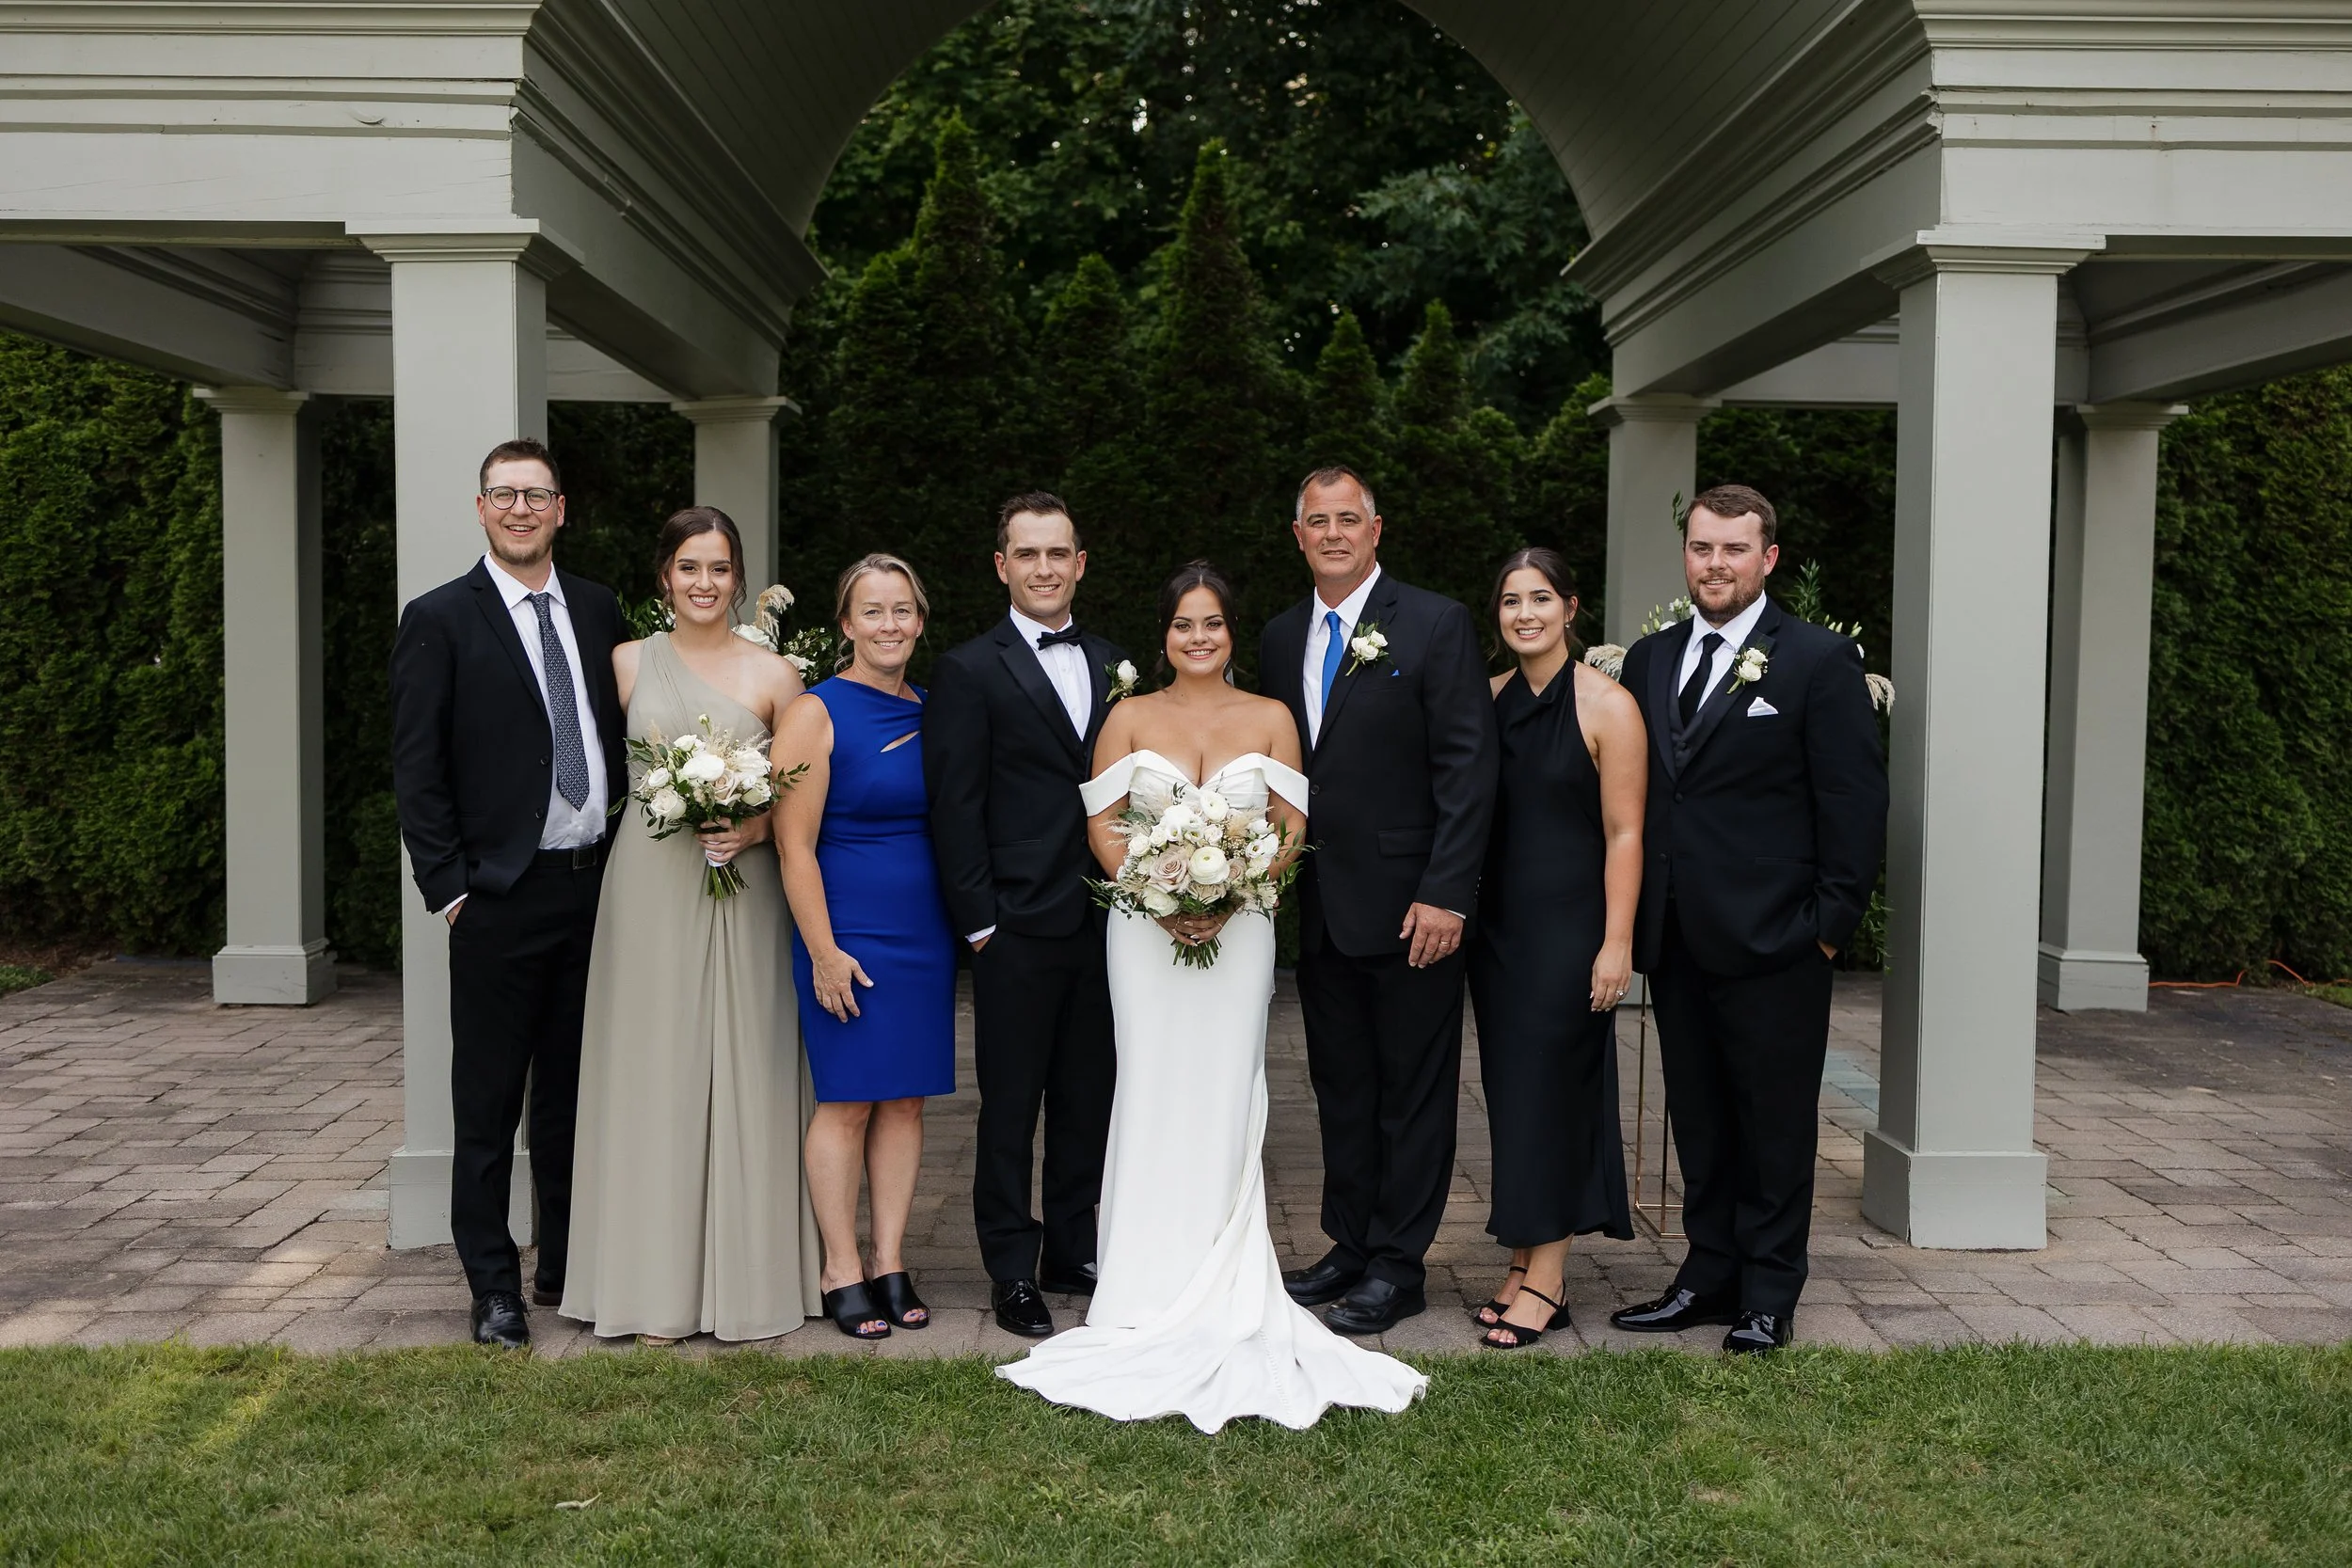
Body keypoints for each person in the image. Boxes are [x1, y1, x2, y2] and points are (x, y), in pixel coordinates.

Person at [998, 562, 1425, 1430]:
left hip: (1245, 929)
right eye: (1184, 624)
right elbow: (1101, 825)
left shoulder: (1271, 717)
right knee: (1148, 1090)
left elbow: (1293, 824)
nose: (1199, 637)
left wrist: (1227, 897)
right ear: (1164, 634)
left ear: (1233, 633)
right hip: (1140, 933)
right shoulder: (1128, 718)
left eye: (1214, 624)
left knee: (1227, 1094)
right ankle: (1140, 1282)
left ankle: (1226, 1276)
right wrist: (1156, 898)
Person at [1608, 483, 1888, 1354]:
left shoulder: (1815, 658)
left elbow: (1854, 802)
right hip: (1679, 935)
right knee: (1700, 1114)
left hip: (1779, 940)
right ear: (1685, 555)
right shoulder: (1650, 661)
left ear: (1767, 558)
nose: (1715, 564)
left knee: (1773, 1122)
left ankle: (1770, 1291)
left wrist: (1827, 926)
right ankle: (1708, 1271)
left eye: (1734, 549)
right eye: (1702, 548)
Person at [560, 506, 822, 1344]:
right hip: (647, 883)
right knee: (652, 1068)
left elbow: (799, 798)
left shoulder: (779, 677)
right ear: (663, 576)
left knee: (748, 1060)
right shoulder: (626, 663)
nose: (704, 583)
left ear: (739, 578)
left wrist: (748, 828)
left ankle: (749, 1280)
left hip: (743, 888)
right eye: (688, 567)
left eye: (718, 568)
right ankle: (647, 1283)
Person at [389, 437, 628, 1351]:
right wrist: (451, 890)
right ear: (482, 508)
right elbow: (418, 769)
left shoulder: (602, 611)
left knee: (571, 1096)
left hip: (592, 893)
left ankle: (562, 1262)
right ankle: (492, 1285)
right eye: (505, 494)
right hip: (497, 898)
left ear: (562, 508)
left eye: (537, 494)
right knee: (487, 1102)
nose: (522, 508)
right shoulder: (441, 618)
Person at [1258, 465, 1500, 1335]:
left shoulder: (1434, 623)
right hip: (1321, 907)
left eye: (1347, 519)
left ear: (1375, 530)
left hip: (1413, 911)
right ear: (1298, 536)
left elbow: (1469, 768)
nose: (1331, 533)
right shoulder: (1283, 636)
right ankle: (1349, 1244)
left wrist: (1446, 892)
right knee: (1343, 1086)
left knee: (1414, 1091)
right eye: (1316, 521)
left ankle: (1400, 1265)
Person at [925, 494, 1127, 1338]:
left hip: (1107, 921)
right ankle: (1012, 1265)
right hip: (1013, 924)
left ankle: (1071, 1248)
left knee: (1090, 1096)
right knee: (1010, 1106)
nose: (1044, 567)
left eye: (1059, 553)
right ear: (1001, 565)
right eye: (1027, 553)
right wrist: (981, 923)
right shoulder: (970, 669)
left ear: (1080, 563)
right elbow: (954, 804)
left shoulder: (1117, 660)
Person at [773, 554, 958, 1339]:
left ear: (920, 620)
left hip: (924, 931)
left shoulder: (933, 707)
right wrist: (822, 949)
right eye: (873, 612)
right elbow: (793, 845)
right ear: (846, 624)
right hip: (847, 930)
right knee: (847, 1100)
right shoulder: (816, 711)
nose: (890, 625)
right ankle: (839, 1266)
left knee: (907, 1099)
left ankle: (889, 1260)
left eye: (903, 610)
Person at [1466, 548, 1645, 1350]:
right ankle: (1522, 1256)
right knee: (1515, 1097)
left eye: (1541, 598)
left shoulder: (1609, 706)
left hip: (1573, 931)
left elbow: (1626, 831)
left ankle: (1549, 1276)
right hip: (1499, 933)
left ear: (1571, 607)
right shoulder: (1488, 698)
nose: (1525, 613)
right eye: (1511, 601)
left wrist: (1616, 943)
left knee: (1560, 1093)